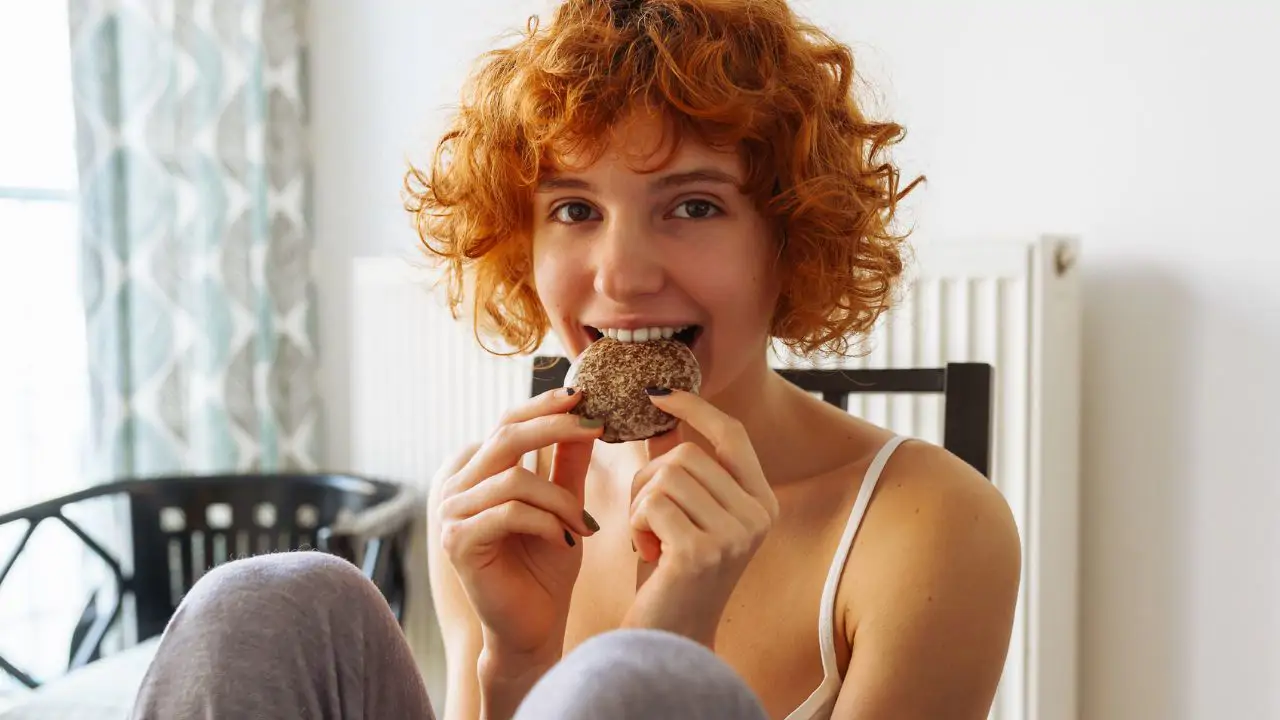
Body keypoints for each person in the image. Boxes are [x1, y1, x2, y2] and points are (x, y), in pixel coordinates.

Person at [129, 1, 1020, 719]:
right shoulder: (491, 509)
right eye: (573, 211)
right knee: (263, 603)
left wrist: (671, 637)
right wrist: (514, 664)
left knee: (636, 681)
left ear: (790, 236)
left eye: (696, 206)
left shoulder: (930, 527)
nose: (623, 276)